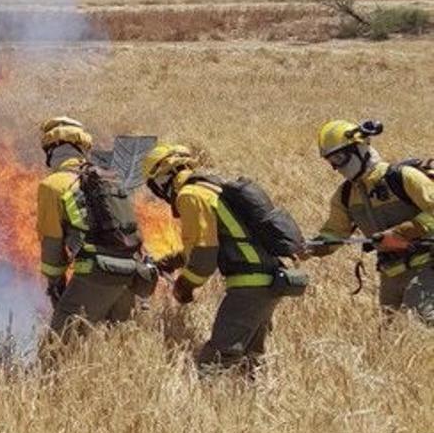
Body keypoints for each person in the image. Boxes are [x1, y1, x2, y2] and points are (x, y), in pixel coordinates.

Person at [142, 143, 294, 376]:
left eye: (155, 187)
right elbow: (220, 239)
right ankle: (245, 406)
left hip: (248, 286)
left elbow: (204, 253)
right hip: (268, 280)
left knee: (216, 361)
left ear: (162, 178)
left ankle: (215, 408)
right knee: (247, 362)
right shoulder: (210, 188)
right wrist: (173, 261)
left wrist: (185, 285)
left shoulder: (190, 195)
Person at [309, 119, 434, 324]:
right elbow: (336, 232)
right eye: (331, 161)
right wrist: (311, 248)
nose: (336, 167)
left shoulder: (402, 177)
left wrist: (403, 232)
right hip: (390, 275)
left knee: (421, 324)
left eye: (340, 157)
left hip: (428, 267)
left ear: (360, 147)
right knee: (391, 338)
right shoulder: (345, 195)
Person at [36, 117, 143, 335]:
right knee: (119, 344)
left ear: (50, 150)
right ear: (84, 149)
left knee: (59, 348)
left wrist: (55, 284)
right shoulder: (111, 180)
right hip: (131, 274)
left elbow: (52, 243)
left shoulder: (53, 184)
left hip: (96, 275)